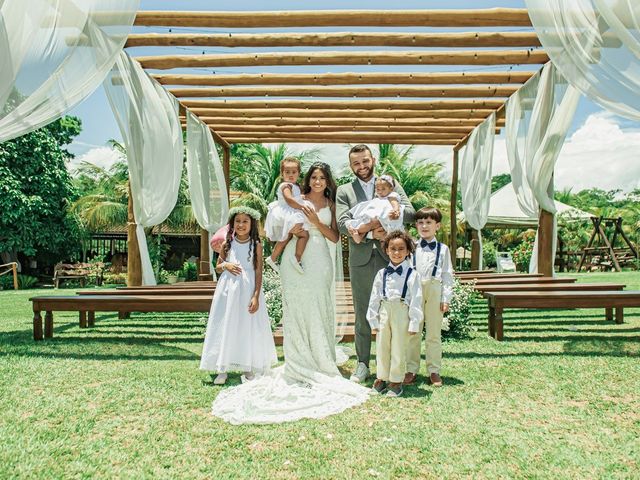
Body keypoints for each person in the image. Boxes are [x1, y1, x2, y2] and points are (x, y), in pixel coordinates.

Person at [210, 162, 370, 425]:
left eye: (322, 178)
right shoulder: (296, 198)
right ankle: (297, 360)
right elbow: (276, 231)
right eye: (314, 177)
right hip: (294, 260)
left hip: (320, 258)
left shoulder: (331, 203)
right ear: (307, 179)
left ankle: (320, 358)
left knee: (319, 306)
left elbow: (333, 237)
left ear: (328, 181)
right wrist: (291, 232)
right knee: (295, 309)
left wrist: (317, 221)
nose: (318, 181)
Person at [336, 144, 415, 384]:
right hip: (361, 260)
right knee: (362, 313)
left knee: (393, 311)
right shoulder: (344, 191)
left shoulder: (390, 185)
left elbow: (411, 212)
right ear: (351, 166)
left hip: (391, 259)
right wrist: (371, 233)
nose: (362, 167)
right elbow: (341, 223)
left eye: (365, 161)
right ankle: (362, 363)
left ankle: (391, 363)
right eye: (356, 163)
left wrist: (392, 216)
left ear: (373, 160)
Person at [200, 207, 278, 385]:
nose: (241, 225)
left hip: (247, 290)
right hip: (228, 292)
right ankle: (222, 368)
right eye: (238, 221)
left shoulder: (256, 245)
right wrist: (226, 265)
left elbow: (258, 271)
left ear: (252, 225)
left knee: (246, 326)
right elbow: (218, 267)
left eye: (245, 221)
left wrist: (256, 296)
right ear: (232, 224)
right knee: (226, 324)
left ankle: (247, 366)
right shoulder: (227, 244)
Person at [367, 230, 423, 398]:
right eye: (393, 249)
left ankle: (396, 381)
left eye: (401, 249)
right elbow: (374, 298)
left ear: (408, 251)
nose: (397, 253)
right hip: (385, 310)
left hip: (401, 311)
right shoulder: (381, 274)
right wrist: (373, 321)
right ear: (387, 250)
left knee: (398, 347)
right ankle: (381, 378)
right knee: (382, 346)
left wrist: (414, 322)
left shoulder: (413, 275)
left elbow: (416, 299)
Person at [405, 207, 454, 388]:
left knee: (433, 333)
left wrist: (445, 298)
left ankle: (434, 370)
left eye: (428, 222)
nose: (424, 226)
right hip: (415, 290)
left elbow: (448, 274)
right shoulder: (411, 247)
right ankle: (411, 369)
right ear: (416, 225)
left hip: (434, 289)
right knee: (413, 331)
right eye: (420, 222)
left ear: (437, 226)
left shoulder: (443, 249)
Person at [264, 157, 310, 274]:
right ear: (282, 173)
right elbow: (289, 199)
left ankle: (273, 258)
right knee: (304, 235)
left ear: (299, 173)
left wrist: (301, 198)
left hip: (289, 212)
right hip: (288, 213)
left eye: (294, 172)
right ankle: (297, 258)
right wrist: (302, 206)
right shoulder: (285, 186)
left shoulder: (295, 186)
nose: (290, 175)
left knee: (286, 237)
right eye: (287, 172)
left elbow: (295, 197)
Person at [346, 174, 404, 244]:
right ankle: (359, 236)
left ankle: (356, 231)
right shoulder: (378, 199)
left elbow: (394, 202)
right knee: (367, 222)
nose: (380, 191)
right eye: (378, 189)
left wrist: (396, 211)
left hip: (386, 217)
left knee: (369, 225)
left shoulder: (391, 195)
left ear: (391, 188)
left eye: (383, 189)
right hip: (377, 217)